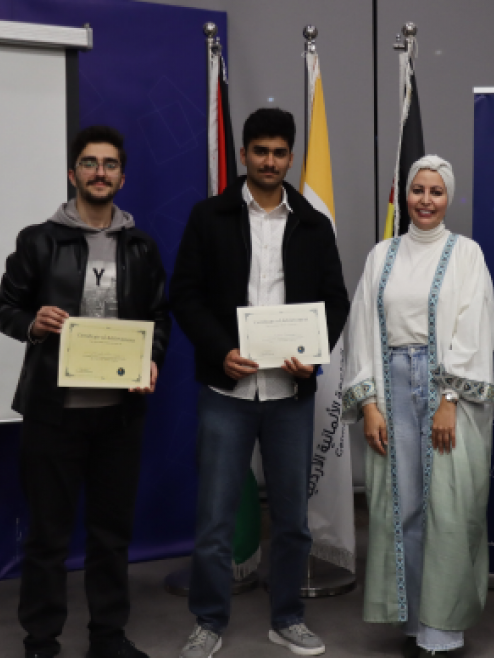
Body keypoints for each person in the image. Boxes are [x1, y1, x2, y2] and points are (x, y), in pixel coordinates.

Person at [170, 107, 349, 658]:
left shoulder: (313, 223)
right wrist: (219, 350)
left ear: (291, 157)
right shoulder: (209, 216)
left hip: (289, 395)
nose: (270, 161)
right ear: (244, 154)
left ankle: (287, 618)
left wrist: (312, 354)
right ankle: (208, 621)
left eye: (279, 152)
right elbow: (185, 295)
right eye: (260, 151)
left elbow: (336, 301)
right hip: (226, 392)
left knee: (292, 520)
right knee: (215, 520)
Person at [0, 125, 170, 658]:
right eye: (89, 163)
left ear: (122, 177)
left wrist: (152, 359)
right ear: (73, 174)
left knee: (111, 535)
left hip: (120, 415)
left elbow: (159, 317)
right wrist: (32, 322)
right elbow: (1, 307)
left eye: (110, 164)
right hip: (53, 413)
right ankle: (41, 641)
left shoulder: (141, 246)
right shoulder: (38, 240)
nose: (99, 172)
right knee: (48, 536)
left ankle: (107, 638)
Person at [343, 155, 494, 657]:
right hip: (391, 388)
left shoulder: (466, 254)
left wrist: (449, 397)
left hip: (445, 391)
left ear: (448, 197)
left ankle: (443, 630)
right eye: (418, 190)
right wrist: (369, 404)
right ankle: (412, 622)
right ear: (406, 194)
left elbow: (474, 327)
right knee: (401, 507)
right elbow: (361, 328)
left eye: (436, 191)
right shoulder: (381, 255)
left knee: (448, 508)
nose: (425, 200)